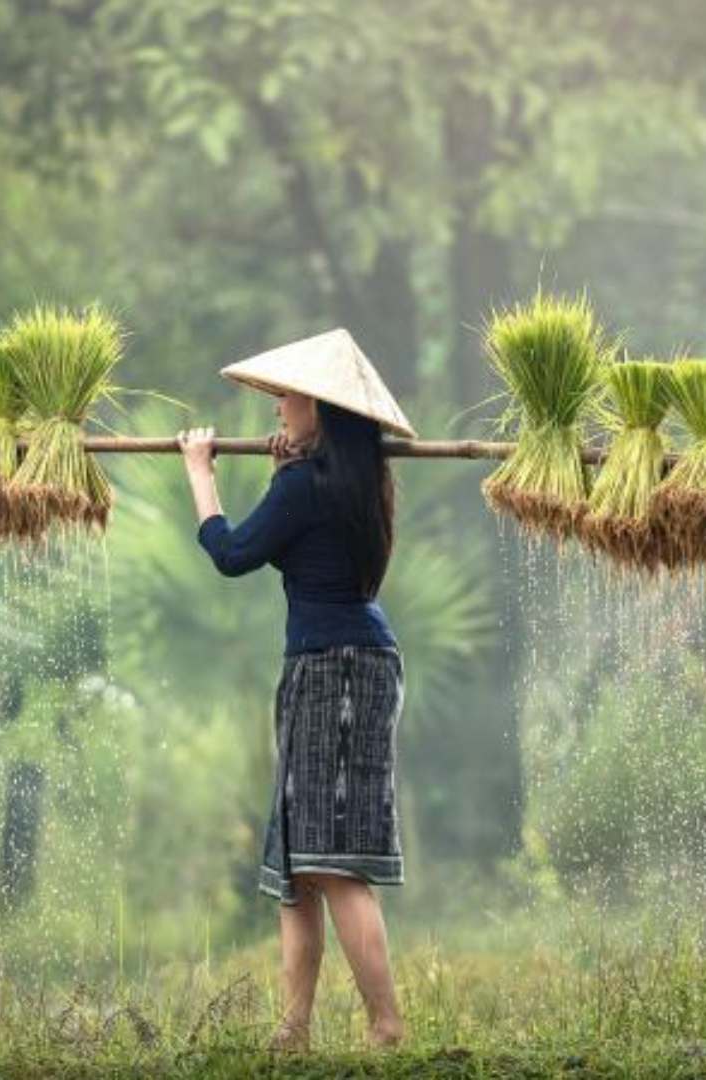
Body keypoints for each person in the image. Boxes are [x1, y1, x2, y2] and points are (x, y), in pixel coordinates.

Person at [175, 328, 417, 1052]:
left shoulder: (306, 487)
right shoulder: (352, 482)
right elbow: (299, 537)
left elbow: (232, 553)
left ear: (320, 407)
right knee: (298, 862)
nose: (277, 407)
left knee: (329, 862)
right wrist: (286, 470)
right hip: (344, 661)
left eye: (287, 396)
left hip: (335, 669)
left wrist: (199, 472)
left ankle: (386, 1026)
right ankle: (294, 1029)